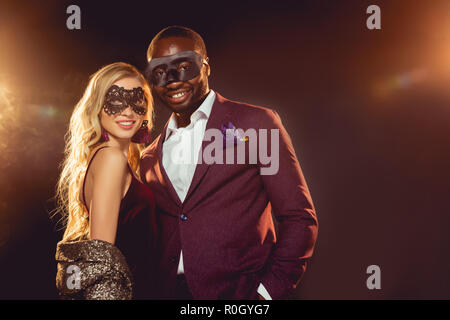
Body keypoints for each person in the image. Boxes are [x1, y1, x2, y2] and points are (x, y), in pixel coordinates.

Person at [140, 26, 318, 299]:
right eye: (160, 72)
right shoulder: (150, 156)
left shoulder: (257, 125)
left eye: (184, 66)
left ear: (206, 66)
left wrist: (264, 295)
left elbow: (299, 218)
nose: (172, 80)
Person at [54, 62, 158, 299]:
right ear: (97, 106)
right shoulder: (111, 158)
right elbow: (101, 261)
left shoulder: (103, 157)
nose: (128, 111)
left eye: (137, 101)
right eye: (116, 100)